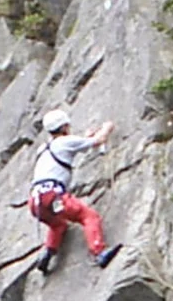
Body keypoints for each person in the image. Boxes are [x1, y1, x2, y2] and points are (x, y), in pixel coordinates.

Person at [27, 108, 121, 274]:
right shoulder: (65, 142)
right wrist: (107, 128)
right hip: (53, 196)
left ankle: (47, 253)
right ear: (64, 127)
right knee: (89, 216)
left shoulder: (43, 148)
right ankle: (99, 252)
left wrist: (87, 138)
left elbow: (79, 145)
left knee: (58, 225)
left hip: (35, 201)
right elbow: (99, 140)